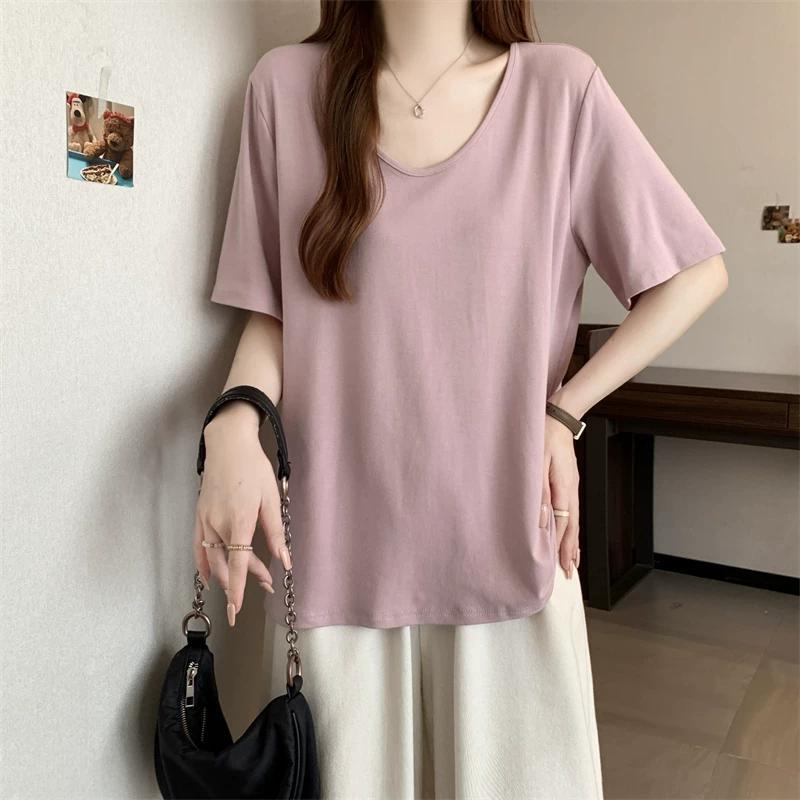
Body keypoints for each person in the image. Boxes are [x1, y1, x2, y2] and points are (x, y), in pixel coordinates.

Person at [194, 1, 728, 797]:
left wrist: (564, 412)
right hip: (340, 551)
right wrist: (234, 426)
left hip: (505, 539)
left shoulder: (561, 90)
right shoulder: (285, 88)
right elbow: (273, 312)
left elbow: (693, 275)